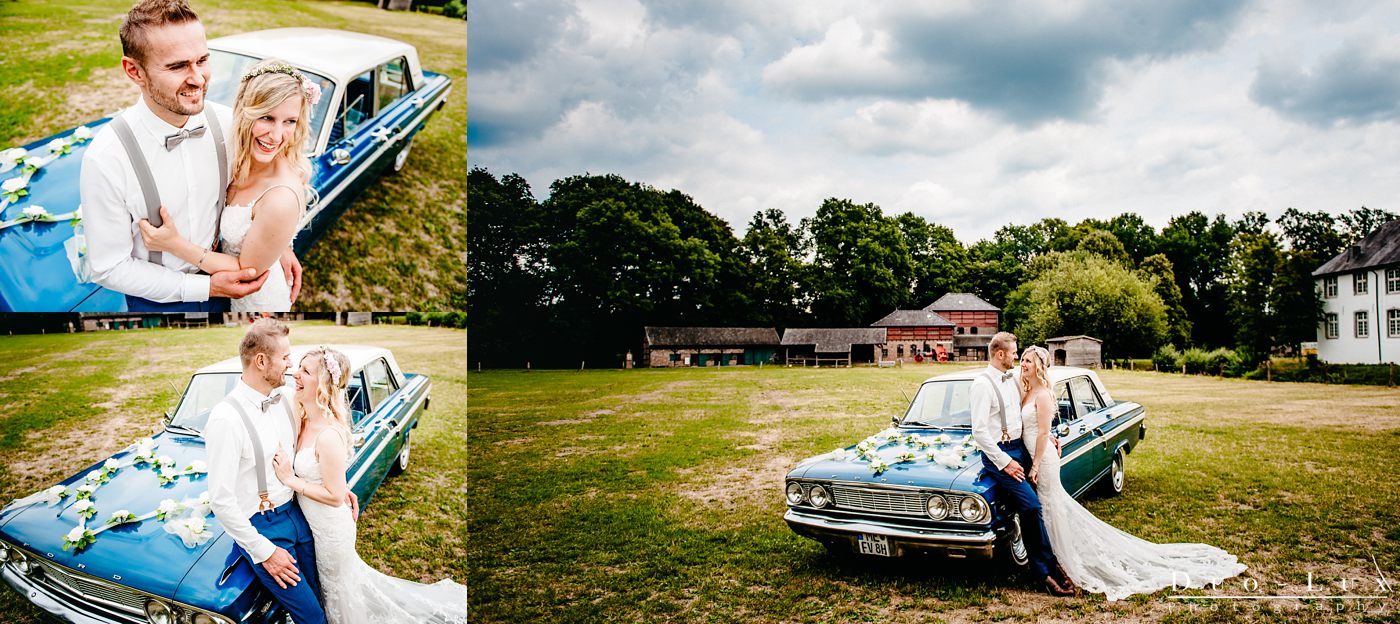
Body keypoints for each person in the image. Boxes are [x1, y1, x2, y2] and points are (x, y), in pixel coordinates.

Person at [80, 0, 301, 312]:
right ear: (134, 71)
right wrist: (204, 287)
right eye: (177, 66)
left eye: (202, 60)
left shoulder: (229, 124)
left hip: (233, 278)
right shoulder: (106, 159)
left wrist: (278, 245)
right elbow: (108, 266)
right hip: (159, 298)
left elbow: (266, 186)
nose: (198, 79)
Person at [1018, 345, 1246, 601]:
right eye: (1022, 359)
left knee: (1050, 505)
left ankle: (1061, 560)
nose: (1023, 363)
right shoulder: (1026, 389)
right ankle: (1054, 558)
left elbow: (1041, 432)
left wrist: (1036, 464)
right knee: (1048, 506)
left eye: (1028, 360)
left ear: (1039, 367)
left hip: (1044, 459)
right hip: (1038, 451)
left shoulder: (1044, 395)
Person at [270, 346, 468, 624]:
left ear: (324, 383)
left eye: (305, 371)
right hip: (311, 526)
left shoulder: (328, 434)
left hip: (330, 532)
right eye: (298, 368)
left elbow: (336, 496)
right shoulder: (302, 418)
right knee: (330, 594)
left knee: (338, 594)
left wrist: (292, 480)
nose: (295, 374)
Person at [140, 57, 316, 312]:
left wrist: (173, 244)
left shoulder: (281, 198)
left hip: (255, 297)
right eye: (267, 117)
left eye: (290, 121)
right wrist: (280, 246)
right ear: (245, 111)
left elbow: (249, 270)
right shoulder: (235, 151)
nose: (277, 136)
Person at [205, 319, 332, 623]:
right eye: (286, 358)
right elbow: (221, 501)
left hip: (297, 513)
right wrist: (264, 551)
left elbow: (315, 443)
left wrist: (336, 486)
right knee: (312, 618)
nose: (291, 366)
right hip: (264, 528)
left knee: (319, 593)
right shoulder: (226, 419)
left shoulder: (287, 397)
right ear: (261, 361)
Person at [970, 331, 1075, 596]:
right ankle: (1044, 572)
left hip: (1021, 449)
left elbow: (1033, 411)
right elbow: (980, 432)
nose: (1018, 358)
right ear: (1001, 354)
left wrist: (1047, 434)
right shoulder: (982, 384)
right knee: (1030, 507)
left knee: (1036, 503)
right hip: (1000, 456)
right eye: (1015, 353)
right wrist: (1005, 463)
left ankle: (1051, 563)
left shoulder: (1014, 379)